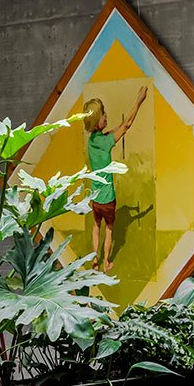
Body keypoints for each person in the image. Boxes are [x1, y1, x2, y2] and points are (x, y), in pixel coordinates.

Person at [83, 85, 148, 272]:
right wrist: (138, 101)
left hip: (95, 198)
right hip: (107, 198)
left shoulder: (94, 140)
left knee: (96, 227)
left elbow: (112, 131)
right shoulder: (105, 142)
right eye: (103, 114)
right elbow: (126, 125)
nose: (106, 116)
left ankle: (94, 262)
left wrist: (118, 128)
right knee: (109, 230)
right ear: (96, 122)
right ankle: (106, 262)